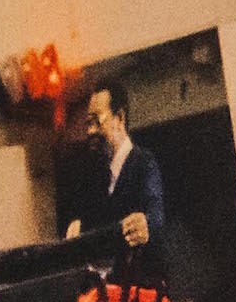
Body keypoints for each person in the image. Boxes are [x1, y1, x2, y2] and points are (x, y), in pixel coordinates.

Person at [63, 84, 167, 288]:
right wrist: (79, 229)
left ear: (119, 118)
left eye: (96, 121)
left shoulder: (143, 162)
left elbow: (156, 213)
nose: (90, 131)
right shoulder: (97, 178)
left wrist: (147, 224)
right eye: (88, 124)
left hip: (142, 293)